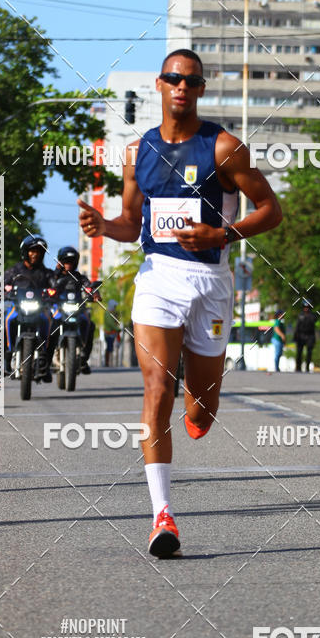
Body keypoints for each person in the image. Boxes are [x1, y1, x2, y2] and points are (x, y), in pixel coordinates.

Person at [78, 48, 282, 558]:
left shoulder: (223, 148)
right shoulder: (135, 151)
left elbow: (271, 210)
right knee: (156, 390)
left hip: (210, 282)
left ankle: (201, 410)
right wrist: (104, 227)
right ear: (159, 84)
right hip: (157, 279)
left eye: (190, 80)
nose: (181, 87)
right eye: (173, 78)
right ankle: (162, 515)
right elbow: (130, 223)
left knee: (202, 407)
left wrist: (222, 231)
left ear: (201, 89)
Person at [4, 235, 54, 381]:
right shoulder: (15, 270)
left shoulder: (46, 272)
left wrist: (55, 290)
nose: (35, 254)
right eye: (32, 251)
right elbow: (2, 282)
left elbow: (54, 284)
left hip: (39, 309)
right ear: (25, 252)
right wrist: (3, 288)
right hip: (18, 308)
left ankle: (44, 362)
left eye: (38, 251)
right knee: (6, 321)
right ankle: (7, 358)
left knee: (50, 323)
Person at [48, 246, 97, 374]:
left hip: (78, 309)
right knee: (49, 325)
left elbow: (88, 286)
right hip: (59, 309)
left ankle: (83, 358)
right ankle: (45, 358)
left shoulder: (79, 277)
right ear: (60, 262)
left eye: (71, 262)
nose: (68, 264)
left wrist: (92, 293)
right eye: (65, 261)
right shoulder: (54, 277)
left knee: (89, 324)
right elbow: (48, 287)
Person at [294, 302, 316, 372]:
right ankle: (298, 367)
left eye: (307, 307)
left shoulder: (312, 315)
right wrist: (295, 336)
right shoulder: (300, 315)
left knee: (309, 352)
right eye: (305, 307)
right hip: (301, 336)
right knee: (299, 352)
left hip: (309, 336)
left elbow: (314, 322)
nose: (306, 309)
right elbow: (297, 327)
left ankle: (307, 367)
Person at [103, 299, 119, 367]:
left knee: (110, 347)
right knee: (109, 348)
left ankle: (109, 362)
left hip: (112, 333)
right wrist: (118, 329)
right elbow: (111, 323)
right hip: (109, 333)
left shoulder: (111, 313)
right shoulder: (108, 313)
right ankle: (107, 363)